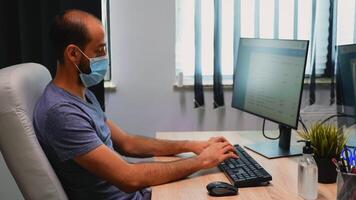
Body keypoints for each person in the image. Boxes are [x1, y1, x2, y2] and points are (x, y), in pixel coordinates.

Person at [33, 9, 237, 200]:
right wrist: (202, 161)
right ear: (73, 54)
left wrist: (191, 146)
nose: (105, 57)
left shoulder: (81, 95)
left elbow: (128, 143)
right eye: (100, 50)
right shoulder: (61, 113)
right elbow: (129, 178)